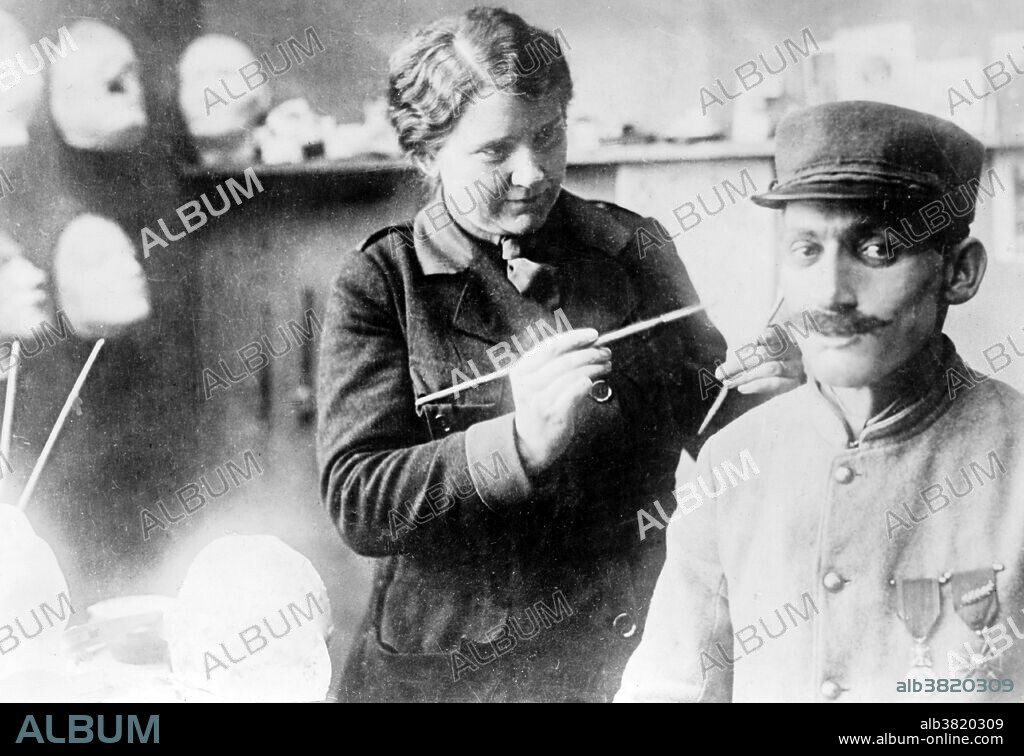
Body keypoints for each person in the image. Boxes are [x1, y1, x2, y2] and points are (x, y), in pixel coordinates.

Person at [316, 7, 799, 703]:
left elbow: (714, 418)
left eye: (549, 134)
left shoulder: (635, 248)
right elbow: (359, 500)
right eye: (493, 152)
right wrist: (515, 442)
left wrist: (770, 398)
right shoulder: (383, 282)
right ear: (428, 154)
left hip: (624, 654)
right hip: (453, 673)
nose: (532, 171)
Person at [615, 100, 1024, 703]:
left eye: (878, 249)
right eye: (807, 250)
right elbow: (668, 688)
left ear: (959, 273)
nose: (831, 293)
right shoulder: (733, 463)